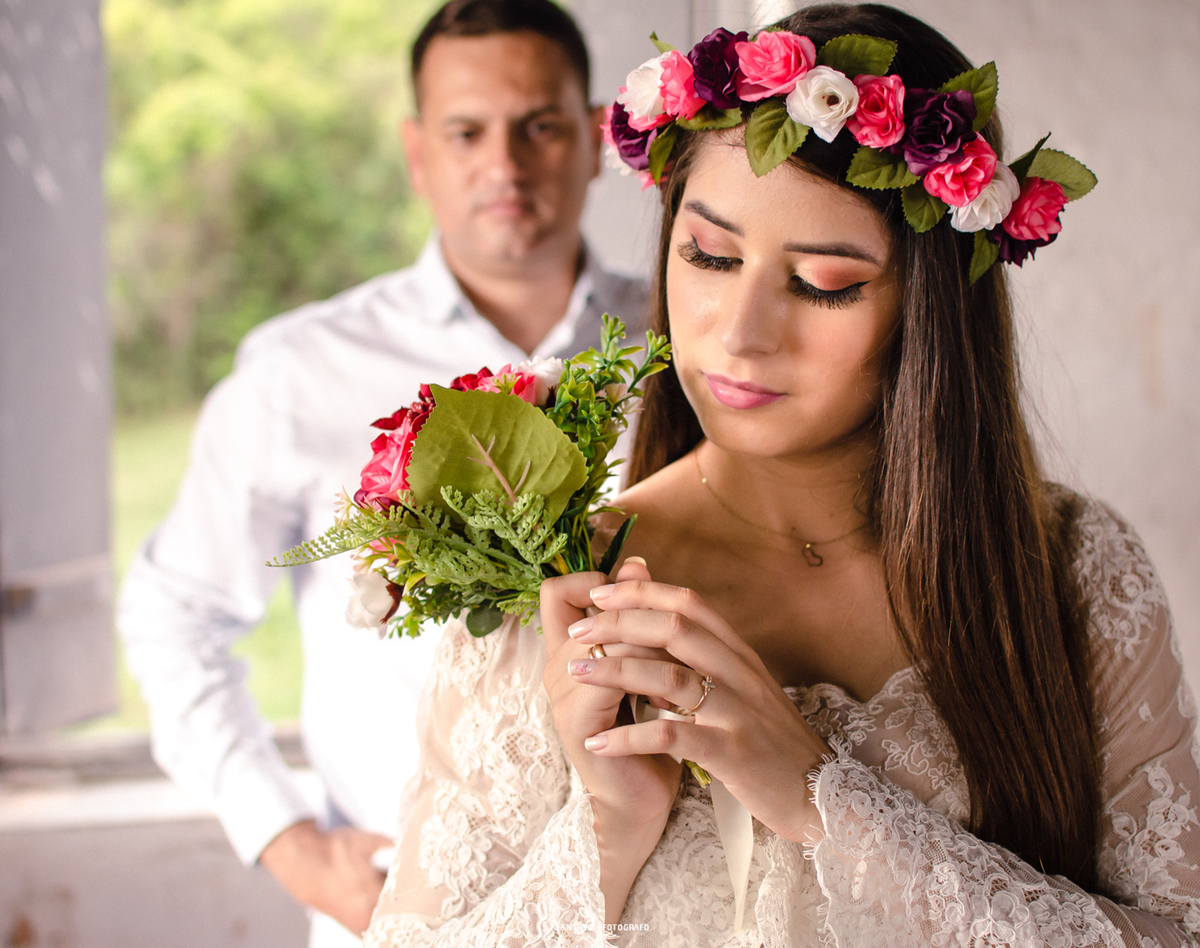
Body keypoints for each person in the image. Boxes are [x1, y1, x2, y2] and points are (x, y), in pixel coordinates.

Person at [363, 4, 1200, 946]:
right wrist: (607, 827)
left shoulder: (1076, 569)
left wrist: (820, 798)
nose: (740, 332)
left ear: (928, 310)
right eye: (710, 256)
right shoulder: (555, 597)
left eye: (822, 284)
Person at [117, 1, 647, 944]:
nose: (505, 165)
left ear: (597, 134)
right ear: (416, 152)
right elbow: (174, 617)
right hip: (411, 913)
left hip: (660, 906)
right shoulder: (300, 372)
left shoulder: (688, 348)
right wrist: (290, 844)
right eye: (466, 132)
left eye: (539, 126)